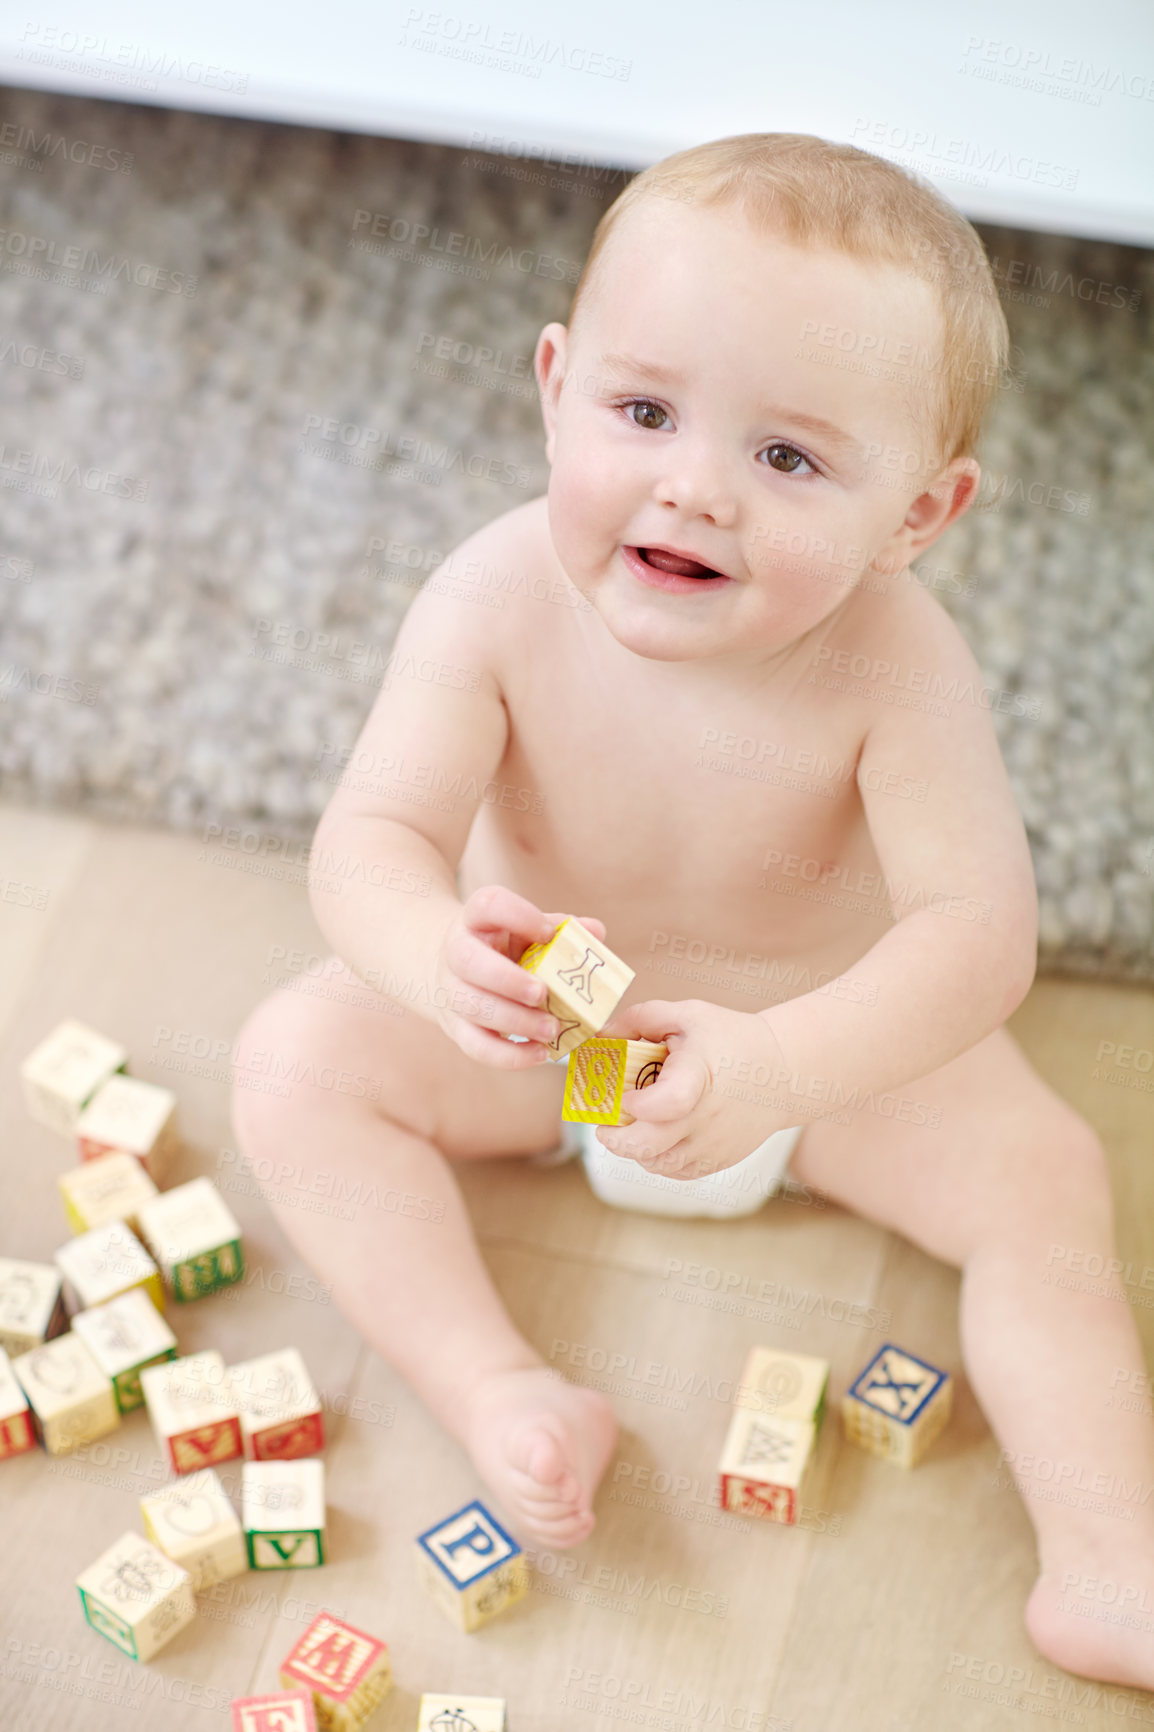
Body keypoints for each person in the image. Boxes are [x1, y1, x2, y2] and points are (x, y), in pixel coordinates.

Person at [233, 134, 1154, 1687]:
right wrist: (424, 955)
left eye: (787, 459)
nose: (690, 487)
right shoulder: (493, 592)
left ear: (918, 515)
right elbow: (373, 836)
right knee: (289, 1065)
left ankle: (1109, 1560)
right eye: (642, 411)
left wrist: (786, 1067)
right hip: (537, 1041)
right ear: (552, 383)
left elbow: (975, 937)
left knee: (1045, 1183)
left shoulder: (897, 666)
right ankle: (501, 1390)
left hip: (816, 1054)